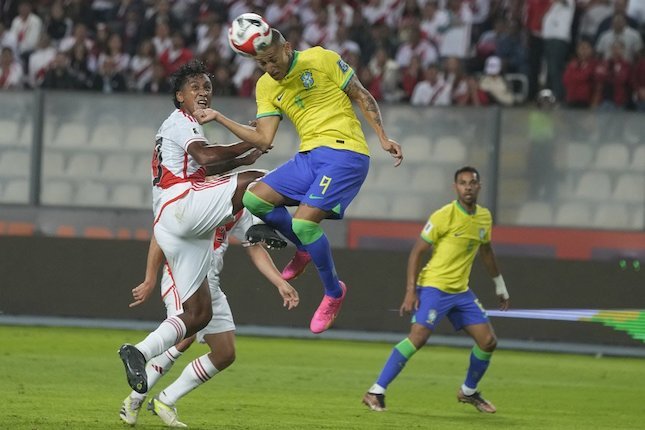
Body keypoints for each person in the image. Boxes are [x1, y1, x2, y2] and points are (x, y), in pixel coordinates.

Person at [193, 22, 403, 334]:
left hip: (346, 154)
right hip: (309, 157)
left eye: (272, 58)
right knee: (253, 198)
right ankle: (303, 248)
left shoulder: (321, 59)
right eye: (261, 63)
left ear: (286, 47)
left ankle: (334, 292)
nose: (269, 66)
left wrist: (383, 137)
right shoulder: (266, 86)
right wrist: (221, 118)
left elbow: (360, 94)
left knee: (305, 223)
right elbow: (264, 139)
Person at [117, 59, 298, 398]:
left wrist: (243, 157)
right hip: (181, 205)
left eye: (207, 87)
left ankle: (138, 351)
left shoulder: (185, 127)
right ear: (179, 97)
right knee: (262, 182)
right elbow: (206, 159)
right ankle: (272, 222)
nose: (202, 92)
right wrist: (251, 141)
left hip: (177, 225)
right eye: (194, 87)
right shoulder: (180, 121)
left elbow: (208, 164)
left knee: (198, 314)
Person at [120, 206, 299, 427]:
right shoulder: (195, 196)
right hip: (181, 278)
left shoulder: (240, 206)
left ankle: (166, 400)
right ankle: (135, 399)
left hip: (210, 285)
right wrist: (150, 278)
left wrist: (280, 282)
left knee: (225, 353)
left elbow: (255, 248)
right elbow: (161, 232)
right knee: (185, 336)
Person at [362, 166, 510, 413]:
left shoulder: (484, 217)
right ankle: (375, 391)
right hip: (433, 288)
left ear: (479, 186)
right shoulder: (444, 216)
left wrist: (500, 286)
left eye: (472, 183)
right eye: (462, 183)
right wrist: (411, 290)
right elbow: (416, 252)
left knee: (488, 342)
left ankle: (468, 392)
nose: (468, 187)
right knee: (418, 337)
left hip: (461, 292)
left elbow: (486, 252)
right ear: (455, 188)